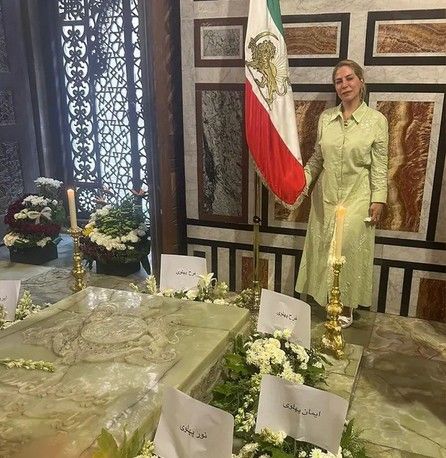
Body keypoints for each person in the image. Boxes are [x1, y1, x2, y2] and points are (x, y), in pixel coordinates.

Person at [295, 59, 388, 327]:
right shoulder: (326, 118)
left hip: (358, 196)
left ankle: (345, 305)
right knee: (324, 247)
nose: (344, 85)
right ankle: (325, 301)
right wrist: (299, 182)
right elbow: (317, 158)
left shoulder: (376, 121)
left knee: (346, 249)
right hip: (325, 197)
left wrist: (379, 198)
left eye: (349, 78)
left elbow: (380, 165)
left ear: (361, 81)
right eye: (338, 81)